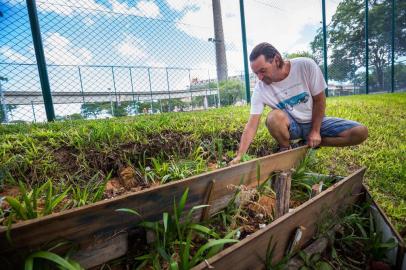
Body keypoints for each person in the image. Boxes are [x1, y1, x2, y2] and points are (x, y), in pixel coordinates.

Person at [230, 43, 368, 165]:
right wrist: (239, 156)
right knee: (273, 118)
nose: (259, 77)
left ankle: (306, 144)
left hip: (315, 122)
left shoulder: (305, 66)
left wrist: (315, 131)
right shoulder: (260, 89)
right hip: (293, 127)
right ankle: (286, 148)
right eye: (255, 73)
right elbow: (251, 125)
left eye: (262, 71)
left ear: (277, 60)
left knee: (360, 132)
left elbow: (320, 100)